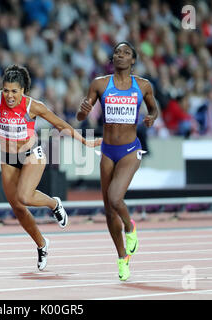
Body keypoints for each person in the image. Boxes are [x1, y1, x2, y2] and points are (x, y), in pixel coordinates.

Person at [0, 64, 102, 271]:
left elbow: (61, 125)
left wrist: (85, 142)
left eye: (14, 91)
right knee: (17, 207)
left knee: (25, 196)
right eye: (6, 90)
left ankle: (54, 204)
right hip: (8, 157)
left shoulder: (34, 106)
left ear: (23, 91)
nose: (9, 96)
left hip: (31, 154)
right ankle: (42, 244)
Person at [76, 42, 159, 281]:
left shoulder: (142, 86)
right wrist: (82, 111)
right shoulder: (100, 84)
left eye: (126, 53)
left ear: (133, 60)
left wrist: (151, 118)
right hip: (107, 150)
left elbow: (154, 109)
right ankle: (122, 258)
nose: (120, 55)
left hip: (130, 150)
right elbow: (81, 115)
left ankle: (130, 227)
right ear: (112, 58)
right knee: (108, 210)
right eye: (117, 52)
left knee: (115, 198)